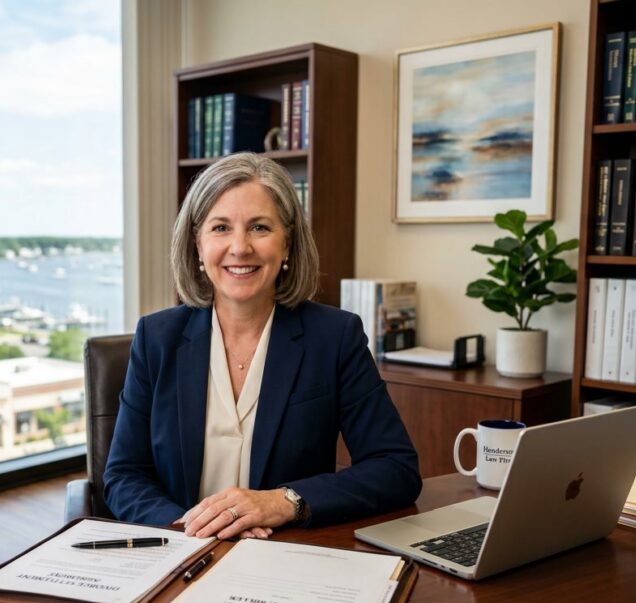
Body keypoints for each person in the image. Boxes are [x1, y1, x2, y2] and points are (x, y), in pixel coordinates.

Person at [103, 152, 420, 540]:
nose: (240, 247)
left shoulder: (335, 337)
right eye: (220, 227)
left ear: (287, 243)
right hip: (180, 555)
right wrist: (196, 532)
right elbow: (124, 475)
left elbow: (395, 468)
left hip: (285, 560)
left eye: (259, 227)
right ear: (197, 245)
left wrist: (283, 501)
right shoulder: (156, 338)